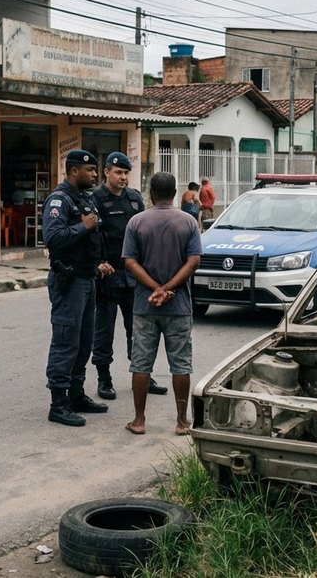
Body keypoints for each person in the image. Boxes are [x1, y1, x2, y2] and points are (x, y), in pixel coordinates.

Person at [122, 171, 202, 436]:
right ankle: (181, 422)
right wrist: (168, 289)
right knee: (181, 364)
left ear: (151, 194)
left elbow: (130, 262)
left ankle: (139, 420)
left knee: (141, 364)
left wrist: (156, 288)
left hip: (145, 305)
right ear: (175, 193)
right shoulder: (188, 222)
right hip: (178, 306)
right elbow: (193, 262)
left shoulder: (136, 222)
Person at [42, 149, 114, 427]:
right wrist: (82, 228)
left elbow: (94, 238)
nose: (95, 174)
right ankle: (58, 404)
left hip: (87, 279)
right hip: (69, 281)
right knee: (66, 342)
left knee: (84, 342)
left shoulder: (85, 199)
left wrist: (98, 263)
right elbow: (52, 237)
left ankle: (76, 394)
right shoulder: (59, 200)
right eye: (90, 170)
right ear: (74, 171)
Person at [90, 152, 167, 401]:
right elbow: (92, 236)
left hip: (133, 276)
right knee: (104, 330)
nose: (123, 177)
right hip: (108, 275)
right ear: (107, 173)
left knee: (138, 330)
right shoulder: (95, 199)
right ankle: (104, 379)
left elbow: (144, 232)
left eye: (126, 173)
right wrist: (98, 262)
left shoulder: (134, 198)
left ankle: (142, 375)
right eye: (118, 173)